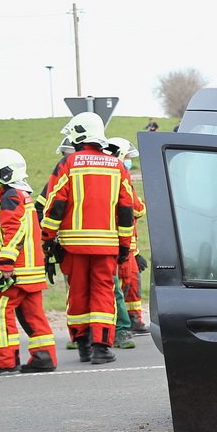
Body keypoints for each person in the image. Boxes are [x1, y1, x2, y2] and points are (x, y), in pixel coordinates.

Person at [41, 112, 135, 364]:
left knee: (78, 293)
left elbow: (55, 205)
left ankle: (82, 345)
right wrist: (124, 245)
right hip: (106, 246)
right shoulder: (116, 166)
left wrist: (47, 239)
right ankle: (101, 348)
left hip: (72, 246)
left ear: (78, 134)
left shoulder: (68, 163)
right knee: (104, 293)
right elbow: (126, 210)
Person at [0, 149, 58, 374]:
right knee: (32, 315)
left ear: (5, 172)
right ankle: (44, 357)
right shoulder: (21, 194)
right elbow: (11, 231)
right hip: (30, 270)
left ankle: (6, 361)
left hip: (16, 271)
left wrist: (5, 264)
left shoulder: (11, 196)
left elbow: (13, 231)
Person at [106, 137, 149, 339]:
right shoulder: (121, 179)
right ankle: (129, 321)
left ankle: (132, 319)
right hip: (121, 246)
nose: (130, 161)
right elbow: (137, 209)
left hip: (124, 245)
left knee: (129, 284)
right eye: (128, 157)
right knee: (126, 285)